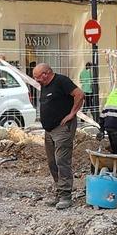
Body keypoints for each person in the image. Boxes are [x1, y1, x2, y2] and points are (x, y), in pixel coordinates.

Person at [32, 61, 82, 208]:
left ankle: (66, 195)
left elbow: (79, 94)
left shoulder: (62, 81)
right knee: (52, 162)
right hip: (49, 130)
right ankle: (59, 192)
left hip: (62, 128)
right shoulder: (44, 85)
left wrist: (72, 114)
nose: (36, 80)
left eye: (37, 77)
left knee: (62, 161)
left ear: (46, 74)